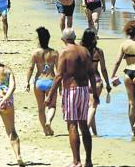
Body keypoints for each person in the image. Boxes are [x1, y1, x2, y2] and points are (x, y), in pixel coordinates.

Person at [45, 29, 99, 167]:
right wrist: (96, 94)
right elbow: (92, 74)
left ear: (63, 39)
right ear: (74, 37)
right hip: (84, 90)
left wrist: (50, 95)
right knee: (83, 125)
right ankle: (88, 161)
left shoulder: (64, 52)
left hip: (71, 90)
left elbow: (58, 76)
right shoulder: (85, 51)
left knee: (72, 125)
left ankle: (76, 161)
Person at [26, 27, 59, 136]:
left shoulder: (35, 53)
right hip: (51, 81)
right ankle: (49, 121)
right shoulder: (54, 53)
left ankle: (45, 131)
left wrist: (27, 82)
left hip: (39, 82)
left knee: (40, 108)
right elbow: (58, 71)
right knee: (52, 106)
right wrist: (61, 86)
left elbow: (31, 68)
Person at [81, 28, 112, 136]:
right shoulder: (98, 52)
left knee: (88, 107)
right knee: (93, 106)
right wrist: (108, 83)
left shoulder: (80, 50)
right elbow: (103, 69)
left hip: (83, 81)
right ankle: (86, 130)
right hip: (96, 79)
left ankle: (94, 132)